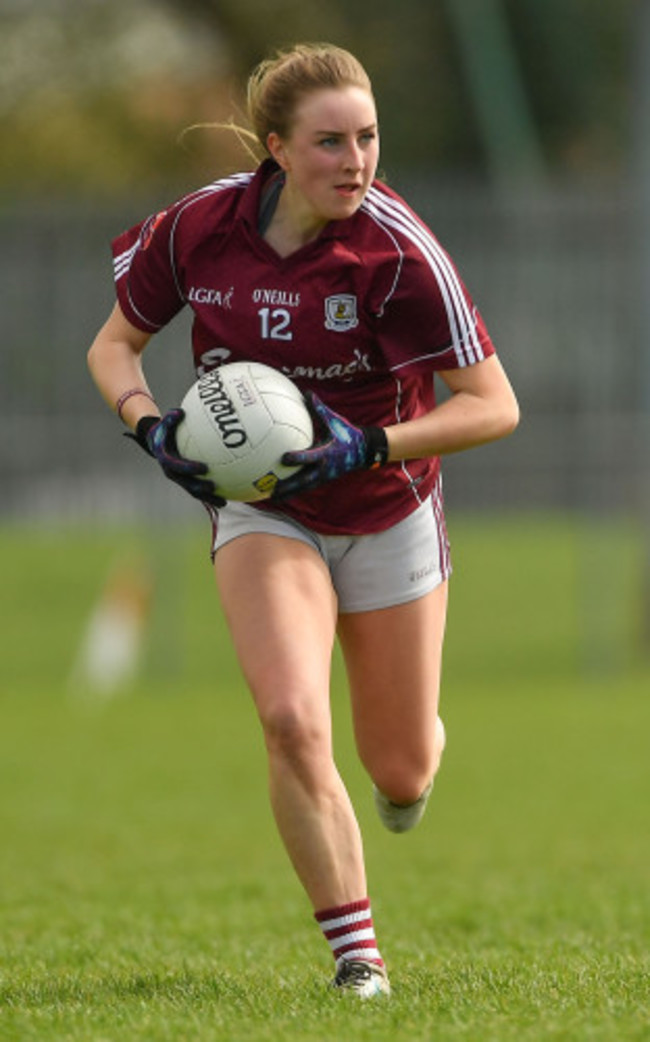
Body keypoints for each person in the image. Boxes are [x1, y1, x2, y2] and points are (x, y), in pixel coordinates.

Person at [87, 42, 519, 999]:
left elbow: (494, 406)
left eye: (367, 138)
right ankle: (357, 960)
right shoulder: (201, 226)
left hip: (387, 507)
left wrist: (367, 446)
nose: (356, 161)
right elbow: (115, 346)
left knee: (399, 770)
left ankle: (412, 764)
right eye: (331, 142)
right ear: (276, 148)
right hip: (265, 513)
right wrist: (150, 426)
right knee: (289, 718)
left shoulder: (398, 252)